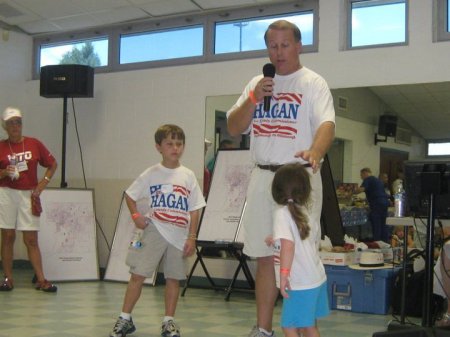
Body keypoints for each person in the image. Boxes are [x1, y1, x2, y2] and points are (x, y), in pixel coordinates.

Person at [227, 19, 335, 337]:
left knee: (301, 256)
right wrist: (253, 98)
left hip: (299, 179)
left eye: (285, 45)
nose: (278, 52)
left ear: (298, 45)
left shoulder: (313, 83)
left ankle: (305, 328)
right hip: (263, 178)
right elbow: (233, 128)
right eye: (272, 46)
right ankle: (263, 329)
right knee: (264, 257)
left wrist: (315, 151)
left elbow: (327, 124)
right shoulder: (257, 83)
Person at [109, 124, 206, 337]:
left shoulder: (188, 176)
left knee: (173, 278)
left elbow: (195, 208)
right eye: (170, 144)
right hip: (154, 230)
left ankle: (168, 322)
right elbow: (130, 194)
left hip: (179, 236)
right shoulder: (151, 174)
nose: (175, 148)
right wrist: (136, 216)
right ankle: (125, 318)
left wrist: (192, 236)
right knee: (138, 274)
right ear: (158, 147)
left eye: (179, 144)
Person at [0, 106, 58, 292]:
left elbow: (52, 164)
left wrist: (42, 184)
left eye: (18, 122)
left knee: (31, 238)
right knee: (8, 236)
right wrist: (4, 172)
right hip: (7, 192)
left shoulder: (34, 143)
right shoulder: (1, 146)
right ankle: (8, 278)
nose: (15, 126)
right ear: (5, 127)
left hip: (28, 193)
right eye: (11, 123)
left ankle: (41, 279)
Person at [271, 163, 329, 337]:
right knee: (308, 326)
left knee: (289, 326)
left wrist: (283, 275)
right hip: (316, 278)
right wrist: (273, 239)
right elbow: (302, 240)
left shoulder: (282, 214)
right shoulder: (304, 212)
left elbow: (289, 245)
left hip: (299, 283)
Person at [355, 168, 390, 242]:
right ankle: (385, 242)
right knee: (384, 224)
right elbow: (378, 193)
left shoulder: (368, 179)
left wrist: (350, 192)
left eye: (361, 175)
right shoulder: (378, 181)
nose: (361, 177)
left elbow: (361, 190)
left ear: (365, 173)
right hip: (384, 203)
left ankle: (377, 242)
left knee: (376, 224)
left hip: (377, 204)